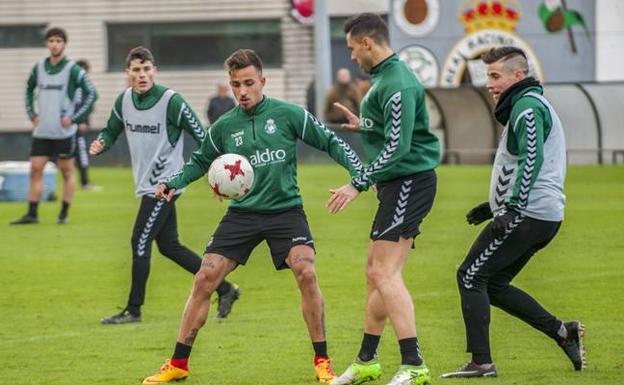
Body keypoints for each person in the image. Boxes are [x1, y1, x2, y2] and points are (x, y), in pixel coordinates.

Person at [142, 48, 364, 385]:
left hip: (285, 211)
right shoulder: (224, 127)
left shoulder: (289, 114)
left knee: (306, 271)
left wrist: (359, 174)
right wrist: (174, 183)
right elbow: (200, 161)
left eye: (248, 83)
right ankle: (178, 363)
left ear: (262, 81)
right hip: (242, 215)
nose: (242, 91)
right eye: (235, 85)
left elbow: (331, 142)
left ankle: (322, 361)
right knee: (204, 279)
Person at [440, 46, 584, 378]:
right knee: (494, 283)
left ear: (518, 76)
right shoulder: (526, 104)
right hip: (540, 215)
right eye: (487, 75)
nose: (489, 83)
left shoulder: (527, 107)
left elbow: (531, 160)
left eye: (495, 76)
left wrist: (512, 207)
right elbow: (522, 165)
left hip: (528, 213)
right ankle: (563, 333)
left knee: (470, 276)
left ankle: (481, 363)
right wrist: (493, 207)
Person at [326, 13, 440, 385]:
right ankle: (366, 361)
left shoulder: (398, 83)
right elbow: (392, 131)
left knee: (384, 273)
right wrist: (365, 124)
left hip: (409, 181)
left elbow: (399, 146)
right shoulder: (384, 79)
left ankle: (415, 364)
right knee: (375, 274)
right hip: (397, 184)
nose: (351, 57)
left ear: (368, 43)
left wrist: (355, 184)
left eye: (352, 48)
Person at [89, 47, 241, 324]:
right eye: (136, 70)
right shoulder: (123, 100)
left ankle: (133, 310)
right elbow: (111, 130)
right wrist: (102, 142)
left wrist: (217, 172)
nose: (142, 74)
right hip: (146, 184)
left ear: (154, 71)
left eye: (147, 69)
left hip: (165, 184)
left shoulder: (171, 101)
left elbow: (202, 135)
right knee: (169, 245)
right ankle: (225, 287)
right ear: (128, 74)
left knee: (140, 241)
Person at [11, 27, 98, 225]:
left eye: (58, 40)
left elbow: (92, 94)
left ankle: (63, 214)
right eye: (51, 40)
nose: (55, 44)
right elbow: (28, 90)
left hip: (64, 133)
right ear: (46, 44)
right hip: (42, 132)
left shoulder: (72, 69)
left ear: (64, 44)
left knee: (66, 171)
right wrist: (32, 114)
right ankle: (32, 214)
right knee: (35, 169)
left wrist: (75, 118)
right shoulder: (39, 67)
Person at [73, 59, 101, 191]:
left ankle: (84, 182)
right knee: (78, 154)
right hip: (70, 126)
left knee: (80, 154)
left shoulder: (82, 86)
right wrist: (81, 120)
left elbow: (90, 103)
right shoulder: (76, 86)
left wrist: (84, 120)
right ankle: (84, 183)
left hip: (74, 126)